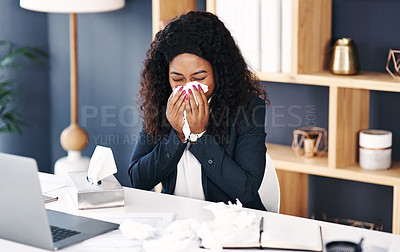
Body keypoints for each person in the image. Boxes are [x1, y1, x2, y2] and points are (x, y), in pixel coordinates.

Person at [128, 11, 269, 211]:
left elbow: (246, 191)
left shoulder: (248, 108)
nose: (188, 87)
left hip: (231, 224)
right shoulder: (161, 105)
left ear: (219, 72)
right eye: (177, 79)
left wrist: (200, 136)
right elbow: (138, 180)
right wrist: (176, 136)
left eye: (199, 77)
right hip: (176, 223)